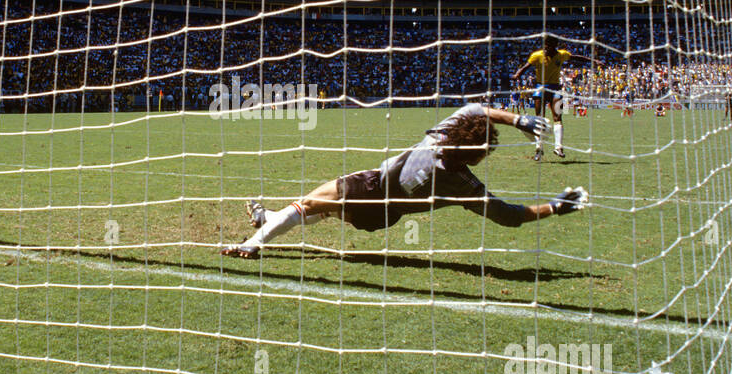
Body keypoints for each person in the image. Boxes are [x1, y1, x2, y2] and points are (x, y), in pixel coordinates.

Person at [221, 104, 587, 259]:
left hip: (370, 186)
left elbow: (476, 110)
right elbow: (508, 215)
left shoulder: (438, 136)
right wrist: (553, 207)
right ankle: (265, 218)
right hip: (382, 218)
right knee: (326, 210)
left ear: (454, 133)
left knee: (308, 205)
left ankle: (255, 241)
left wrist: (518, 119)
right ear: (477, 155)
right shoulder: (463, 183)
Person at [512, 34, 599, 160]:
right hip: (540, 88)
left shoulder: (561, 55)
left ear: (554, 46)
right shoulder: (537, 56)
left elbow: (576, 58)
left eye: (549, 45)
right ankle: (539, 149)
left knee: (557, 116)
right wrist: (517, 74)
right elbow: (526, 67)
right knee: (539, 118)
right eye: (545, 45)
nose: (546, 48)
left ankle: (558, 148)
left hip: (555, 88)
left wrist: (593, 61)